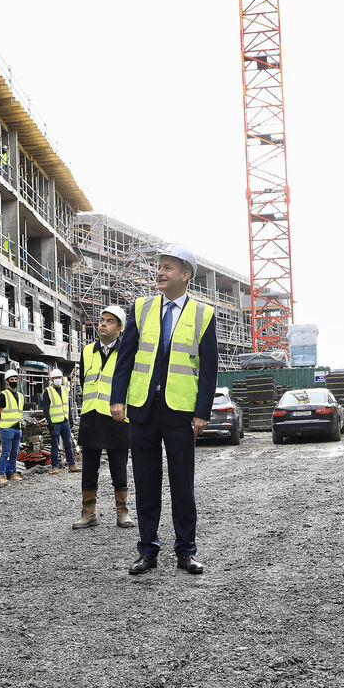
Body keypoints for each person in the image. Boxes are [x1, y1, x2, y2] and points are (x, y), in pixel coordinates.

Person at [111, 245, 217, 575]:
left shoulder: (203, 314)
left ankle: (186, 551)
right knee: (146, 483)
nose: (160, 272)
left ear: (185, 275)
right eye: (159, 267)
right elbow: (125, 358)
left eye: (168, 268)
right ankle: (148, 550)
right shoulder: (141, 308)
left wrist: (202, 412)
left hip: (181, 413)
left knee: (182, 484)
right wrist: (117, 398)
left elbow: (210, 369)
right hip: (143, 409)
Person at [73, 305, 134, 530]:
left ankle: (123, 513)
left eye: (109, 321)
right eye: (101, 320)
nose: (103, 324)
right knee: (89, 468)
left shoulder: (127, 351)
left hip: (117, 417)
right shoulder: (87, 351)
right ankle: (88, 513)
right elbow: (83, 381)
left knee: (119, 466)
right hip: (91, 416)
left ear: (119, 328)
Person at [40, 368, 78, 474]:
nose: (58, 379)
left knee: (68, 444)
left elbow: (68, 405)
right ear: (51, 379)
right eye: (55, 378)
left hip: (65, 421)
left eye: (59, 377)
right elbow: (46, 409)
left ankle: (72, 465)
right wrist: (49, 422)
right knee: (55, 445)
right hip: (55, 423)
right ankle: (55, 467)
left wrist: (70, 419)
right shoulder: (48, 391)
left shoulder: (65, 389)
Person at [0, 368, 24, 485]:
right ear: (7, 381)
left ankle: (12, 473)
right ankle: (2, 475)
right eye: (11, 379)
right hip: (7, 428)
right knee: (5, 453)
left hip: (17, 428)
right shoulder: (3, 395)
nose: (14, 381)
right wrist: (1, 422)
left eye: (16, 379)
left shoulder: (20, 396)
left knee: (14, 453)